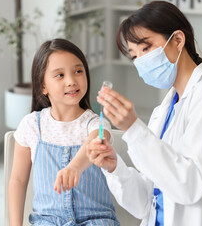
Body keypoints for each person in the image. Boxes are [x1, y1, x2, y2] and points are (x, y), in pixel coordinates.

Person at [87, 1, 202, 226]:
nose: (141, 61)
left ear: (178, 40)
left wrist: (133, 128)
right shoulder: (164, 111)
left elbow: (187, 185)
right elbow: (145, 203)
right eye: (135, 56)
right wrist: (114, 168)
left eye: (146, 48)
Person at [9, 38, 120, 226]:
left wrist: (74, 167)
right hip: (47, 222)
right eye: (59, 75)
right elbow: (18, 180)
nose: (71, 81)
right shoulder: (31, 126)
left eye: (78, 71)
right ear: (43, 86)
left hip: (96, 221)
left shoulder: (95, 123)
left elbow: (98, 140)